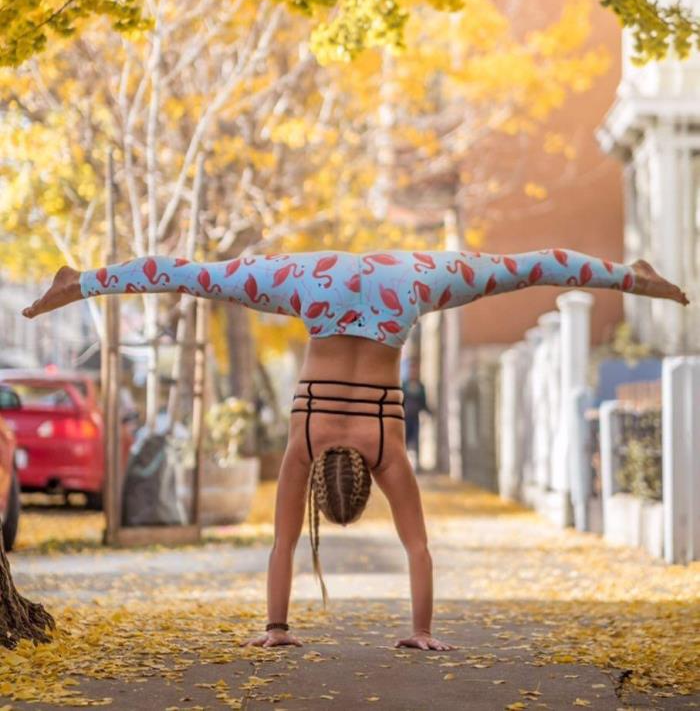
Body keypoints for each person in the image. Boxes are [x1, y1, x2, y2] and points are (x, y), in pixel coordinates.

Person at [22, 249, 689, 651]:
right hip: (315, 282)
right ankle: (83, 281)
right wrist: (274, 625)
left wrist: (422, 629)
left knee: (518, 270)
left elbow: (418, 549)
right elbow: (283, 545)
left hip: (404, 282)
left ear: (366, 483)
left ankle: (629, 278)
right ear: (322, 482)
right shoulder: (306, 444)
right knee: (199, 276)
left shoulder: (386, 450)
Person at [402, 359, 431, 471]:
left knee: (416, 441)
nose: (413, 371)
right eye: (411, 368)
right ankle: (403, 464)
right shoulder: (404, 385)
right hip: (404, 418)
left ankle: (416, 465)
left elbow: (423, 403)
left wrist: (429, 412)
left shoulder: (421, 386)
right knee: (404, 441)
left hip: (415, 418)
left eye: (415, 369)